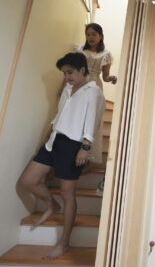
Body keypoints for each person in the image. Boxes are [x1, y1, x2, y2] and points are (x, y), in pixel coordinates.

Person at [17, 52, 105, 260]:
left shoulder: (93, 92)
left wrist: (86, 146)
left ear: (82, 70)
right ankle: (51, 204)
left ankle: (64, 242)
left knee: (67, 193)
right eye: (65, 73)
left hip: (73, 144)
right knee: (28, 180)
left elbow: (92, 120)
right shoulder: (67, 88)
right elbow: (60, 114)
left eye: (70, 72)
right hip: (54, 140)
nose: (67, 76)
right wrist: (48, 135)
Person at [75, 23, 116, 165]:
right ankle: (73, 152)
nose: (90, 37)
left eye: (94, 34)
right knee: (77, 117)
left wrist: (111, 79)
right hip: (80, 84)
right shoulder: (79, 50)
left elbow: (105, 76)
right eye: (88, 34)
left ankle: (87, 157)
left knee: (92, 119)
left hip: (95, 87)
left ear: (100, 36)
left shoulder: (106, 54)